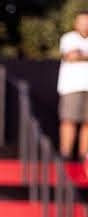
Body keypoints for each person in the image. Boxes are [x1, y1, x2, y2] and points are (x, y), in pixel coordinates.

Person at [58, 11, 88, 158]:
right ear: (75, 23)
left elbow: (78, 55)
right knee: (69, 119)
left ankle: (84, 156)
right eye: (82, 21)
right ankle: (66, 155)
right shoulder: (68, 38)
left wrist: (81, 54)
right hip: (72, 87)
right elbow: (71, 56)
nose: (85, 24)